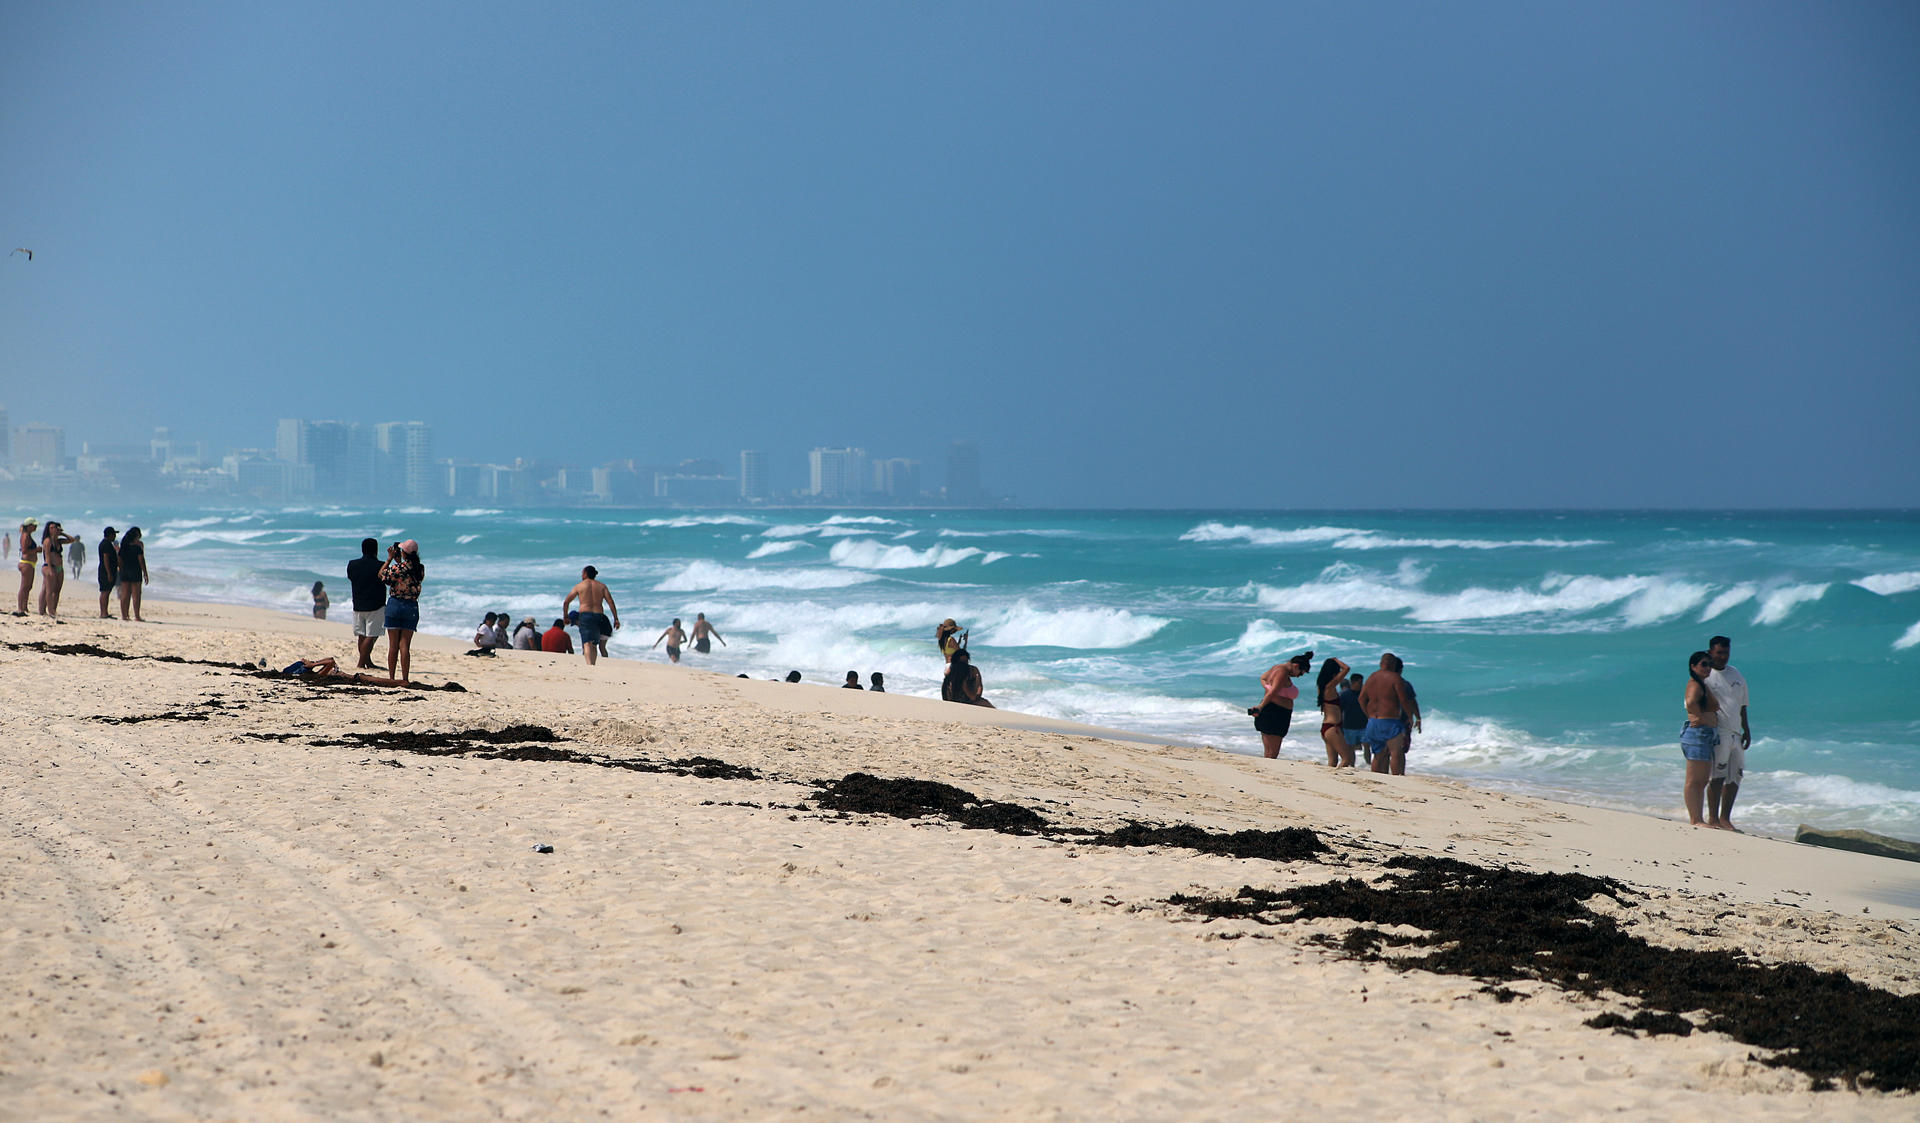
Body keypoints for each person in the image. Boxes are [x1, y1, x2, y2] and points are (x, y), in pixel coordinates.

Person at [1704, 635, 1751, 832]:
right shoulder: (1706, 675)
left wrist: (1746, 729)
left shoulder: (1736, 674)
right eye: (1719, 653)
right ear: (1710, 653)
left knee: (1736, 776)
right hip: (1719, 732)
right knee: (1717, 775)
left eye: (1726, 653)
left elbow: (1742, 704)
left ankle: (1726, 818)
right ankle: (1713, 818)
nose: (1723, 657)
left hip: (1736, 732)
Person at [1359, 652, 1421, 775]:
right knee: (1396, 753)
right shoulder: (1395, 678)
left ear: (1381, 663)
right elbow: (1403, 700)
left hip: (1373, 721)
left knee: (1378, 755)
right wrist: (1410, 716)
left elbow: (1361, 699)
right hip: (1389, 721)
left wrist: (1368, 715)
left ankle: (1375, 778)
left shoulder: (1372, 677)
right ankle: (1397, 779)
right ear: (1393, 664)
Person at [1681, 650, 1721, 827]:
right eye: (1703, 664)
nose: (1708, 668)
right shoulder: (1694, 685)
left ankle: (1698, 818)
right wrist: (1698, 718)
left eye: (1709, 664)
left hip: (1705, 734)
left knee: (1703, 780)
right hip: (1698, 734)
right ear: (1693, 666)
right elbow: (1690, 701)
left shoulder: (1701, 683)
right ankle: (1695, 819)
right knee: (1694, 780)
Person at [1248, 650, 1312, 759]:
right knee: (1272, 754)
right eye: (1301, 673)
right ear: (1296, 666)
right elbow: (1273, 692)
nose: (1299, 676)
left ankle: (1265, 772)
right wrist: (1261, 706)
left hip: (1273, 711)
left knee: (1269, 753)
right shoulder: (1282, 672)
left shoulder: (1277, 667)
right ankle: (1267, 773)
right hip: (1275, 713)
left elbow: (1263, 678)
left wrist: (1268, 689)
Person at [380, 539, 424, 683]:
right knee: (405, 645)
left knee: (393, 645)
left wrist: (389, 559)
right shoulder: (420, 569)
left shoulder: (398, 568)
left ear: (403, 553)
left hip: (395, 605)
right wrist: (399, 562)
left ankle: (392, 678)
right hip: (411, 607)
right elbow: (406, 575)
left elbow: (382, 575)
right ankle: (405, 679)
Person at [563, 566, 621, 665]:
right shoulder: (602, 586)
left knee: (587, 643)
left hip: (586, 616)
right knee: (594, 643)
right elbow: (610, 602)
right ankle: (592, 665)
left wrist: (566, 616)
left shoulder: (579, 586)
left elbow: (566, 602)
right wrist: (616, 618)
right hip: (599, 616)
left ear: (585, 573)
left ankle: (589, 665)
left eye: (582, 573)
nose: (581, 575)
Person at [346, 538, 386, 669]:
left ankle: (367, 661)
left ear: (362, 549)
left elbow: (352, 578)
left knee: (362, 635)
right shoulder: (381, 565)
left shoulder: (352, 564)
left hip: (358, 604)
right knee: (372, 635)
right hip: (376, 604)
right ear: (376, 550)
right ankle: (361, 662)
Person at [1315, 656, 1353, 767]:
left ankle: (1329, 782)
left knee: (1332, 762)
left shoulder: (1321, 687)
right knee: (1347, 758)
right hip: (1333, 728)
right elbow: (1346, 669)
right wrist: (1336, 660)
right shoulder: (1330, 687)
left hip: (1326, 727)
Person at [280, 655, 407, 687]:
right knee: (368, 678)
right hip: (354, 678)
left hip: (352, 677)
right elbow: (330, 661)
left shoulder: (316, 674)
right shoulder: (318, 675)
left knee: (367, 677)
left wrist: (312, 665)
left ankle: (396, 682)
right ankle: (397, 683)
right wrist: (312, 664)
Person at [38, 521, 76, 616]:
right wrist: (50, 569)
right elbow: (47, 556)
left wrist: (61, 533)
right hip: (50, 567)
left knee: (57, 590)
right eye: (52, 528)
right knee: (48, 590)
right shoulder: (47, 541)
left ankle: (53, 609)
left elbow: (72, 539)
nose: (54, 529)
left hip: (59, 568)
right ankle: (46, 610)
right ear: (48, 530)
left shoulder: (58, 541)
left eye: (55, 528)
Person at [116, 526, 149, 621]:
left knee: (125, 594)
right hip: (135, 572)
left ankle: (124, 616)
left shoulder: (123, 548)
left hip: (125, 571)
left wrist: (121, 570)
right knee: (136, 595)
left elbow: (119, 560)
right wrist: (145, 573)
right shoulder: (138, 547)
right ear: (136, 536)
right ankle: (137, 616)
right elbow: (141, 561)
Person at [1339, 672, 1368, 764]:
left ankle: (1369, 765)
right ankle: (1352, 766)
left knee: (1367, 747)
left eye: (1362, 682)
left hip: (1364, 725)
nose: (1361, 684)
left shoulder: (1364, 694)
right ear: (1353, 682)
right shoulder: (1345, 695)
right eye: (1359, 682)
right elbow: (1340, 711)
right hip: (1349, 726)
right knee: (1350, 749)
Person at [14, 518, 38, 615]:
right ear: (29, 526)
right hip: (26, 562)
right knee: (24, 586)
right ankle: (21, 608)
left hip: (30, 563)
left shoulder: (28, 535)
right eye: (34, 525)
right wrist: (37, 550)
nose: (36, 527)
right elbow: (24, 551)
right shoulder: (25, 536)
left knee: (28, 586)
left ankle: (25, 607)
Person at [96, 527, 120, 619]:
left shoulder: (107, 544)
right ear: (109, 535)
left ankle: (105, 612)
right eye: (113, 534)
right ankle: (103, 613)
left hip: (107, 570)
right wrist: (109, 573)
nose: (115, 536)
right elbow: (106, 559)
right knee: (105, 592)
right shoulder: (105, 544)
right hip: (105, 571)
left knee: (106, 592)